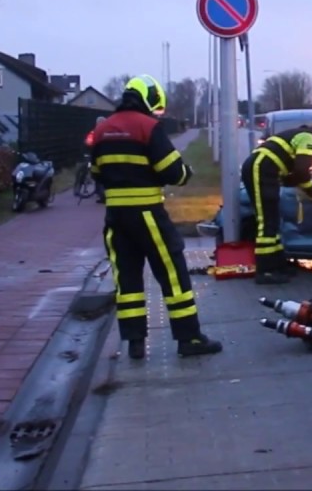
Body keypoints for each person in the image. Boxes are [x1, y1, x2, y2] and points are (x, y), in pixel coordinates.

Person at [91, 75, 222, 360]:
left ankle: (135, 342)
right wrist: (188, 173)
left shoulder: (101, 132)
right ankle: (189, 339)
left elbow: (96, 174)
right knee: (172, 274)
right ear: (149, 99)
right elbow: (172, 171)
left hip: (115, 219)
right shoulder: (148, 127)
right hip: (148, 215)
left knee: (127, 279)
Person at [241, 119, 312, 285]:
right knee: (266, 221)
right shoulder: (308, 138)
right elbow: (301, 171)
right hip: (261, 169)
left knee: (273, 220)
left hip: (266, 170)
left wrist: (304, 185)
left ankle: (278, 265)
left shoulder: (301, 135)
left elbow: (292, 176)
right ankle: (265, 271)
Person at [85, 116, 107, 203]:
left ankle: (100, 194)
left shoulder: (94, 132)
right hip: (105, 155)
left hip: (97, 155)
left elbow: (88, 142)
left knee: (97, 174)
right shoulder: (109, 131)